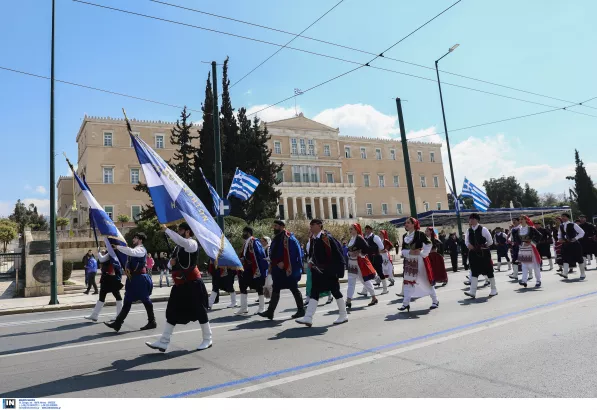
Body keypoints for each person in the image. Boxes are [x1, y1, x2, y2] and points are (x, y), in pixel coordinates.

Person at [146, 223, 212, 352]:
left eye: (181, 230)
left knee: (200, 310)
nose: (179, 232)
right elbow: (172, 265)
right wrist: (171, 263)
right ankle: (164, 341)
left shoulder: (191, 243)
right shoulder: (178, 247)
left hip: (193, 283)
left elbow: (180, 240)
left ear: (187, 232)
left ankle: (207, 339)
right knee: (172, 311)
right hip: (180, 284)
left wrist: (167, 230)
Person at [296, 219, 347, 327]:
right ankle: (308, 317)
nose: (310, 227)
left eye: (312, 225)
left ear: (319, 225)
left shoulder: (326, 238)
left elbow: (338, 254)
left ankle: (343, 315)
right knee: (314, 292)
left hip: (329, 272)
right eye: (310, 225)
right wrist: (311, 262)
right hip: (318, 272)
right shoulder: (314, 239)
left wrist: (339, 271)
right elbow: (315, 255)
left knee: (335, 292)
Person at [105, 232, 155, 332]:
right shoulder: (135, 250)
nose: (133, 240)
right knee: (127, 301)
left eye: (135, 238)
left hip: (140, 279)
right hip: (133, 279)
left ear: (140, 240)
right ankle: (117, 323)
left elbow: (131, 252)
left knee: (145, 300)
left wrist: (118, 247)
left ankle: (152, 321)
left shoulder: (141, 249)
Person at [258, 220, 305, 320]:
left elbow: (295, 253)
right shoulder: (277, 238)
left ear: (282, 227)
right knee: (276, 289)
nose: (274, 227)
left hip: (287, 269)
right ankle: (270, 312)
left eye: (276, 226)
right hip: (277, 269)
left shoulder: (289, 238)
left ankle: (301, 310)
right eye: (274, 226)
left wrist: (285, 263)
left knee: (293, 288)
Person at [397, 217, 438, 312]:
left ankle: (435, 301)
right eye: (405, 223)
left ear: (413, 224)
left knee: (425, 281)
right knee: (407, 282)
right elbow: (403, 250)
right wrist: (410, 252)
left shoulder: (420, 234)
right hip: (409, 262)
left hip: (419, 262)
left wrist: (422, 253)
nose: (406, 224)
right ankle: (405, 304)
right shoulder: (404, 236)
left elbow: (429, 244)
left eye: (408, 223)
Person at [235, 227, 269, 315]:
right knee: (242, 287)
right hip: (246, 269)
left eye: (244, 232)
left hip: (254, 269)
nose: (243, 233)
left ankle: (262, 308)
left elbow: (260, 255)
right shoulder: (246, 242)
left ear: (249, 233)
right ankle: (243, 308)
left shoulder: (254, 241)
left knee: (259, 287)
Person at [344, 223, 379, 309]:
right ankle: (348, 300)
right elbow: (348, 251)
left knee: (365, 281)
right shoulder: (351, 239)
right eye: (350, 229)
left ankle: (374, 297)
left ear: (356, 229)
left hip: (359, 263)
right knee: (351, 282)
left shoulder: (359, 238)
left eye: (352, 229)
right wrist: (349, 253)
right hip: (351, 264)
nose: (350, 230)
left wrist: (359, 253)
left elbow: (367, 248)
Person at [84, 248, 123, 322]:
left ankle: (119, 315)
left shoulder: (112, 253)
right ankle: (95, 315)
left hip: (110, 278)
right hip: (107, 278)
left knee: (117, 296)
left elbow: (102, 259)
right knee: (103, 296)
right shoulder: (113, 253)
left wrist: (98, 252)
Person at [464, 213, 497, 299]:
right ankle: (472, 292)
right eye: (470, 219)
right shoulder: (469, 230)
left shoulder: (483, 229)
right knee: (474, 271)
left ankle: (494, 289)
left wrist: (483, 246)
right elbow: (466, 241)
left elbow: (490, 241)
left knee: (489, 270)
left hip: (483, 254)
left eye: (473, 219)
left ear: (477, 220)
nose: (471, 220)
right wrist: (469, 245)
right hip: (473, 254)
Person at [304, 232, 334, 306]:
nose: (310, 232)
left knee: (324, 281)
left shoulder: (321, 239)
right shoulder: (311, 240)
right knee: (309, 281)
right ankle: (309, 298)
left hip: (319, 264)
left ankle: (330, 296)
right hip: (311, 262)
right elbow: (310, 251)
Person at [558, 213, 586, 279]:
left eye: (564, 217)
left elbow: (582, 232)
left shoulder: (573, 224)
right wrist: (559, 239)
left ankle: (583, 273)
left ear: (568, 217)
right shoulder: (561, 225)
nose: (563, 218)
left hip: (574, 244)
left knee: (579, 258)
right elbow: (559, 234)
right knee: (565, 258)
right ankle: (565, 273)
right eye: (562, 217)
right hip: (566, 244)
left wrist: (575, 238)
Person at [517, 216, 543, 288]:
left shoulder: (531, 228)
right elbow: (517, 240)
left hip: (531, 248)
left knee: (535, 265)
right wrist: (521, 244)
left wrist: (531, 242)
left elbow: (539, 236)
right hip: (522, 249)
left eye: (522, 219)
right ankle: (524, 281)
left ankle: (538, 280)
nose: (520, 220)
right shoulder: (519, 229)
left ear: (526, 220)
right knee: (524, 265)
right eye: (520, 219)